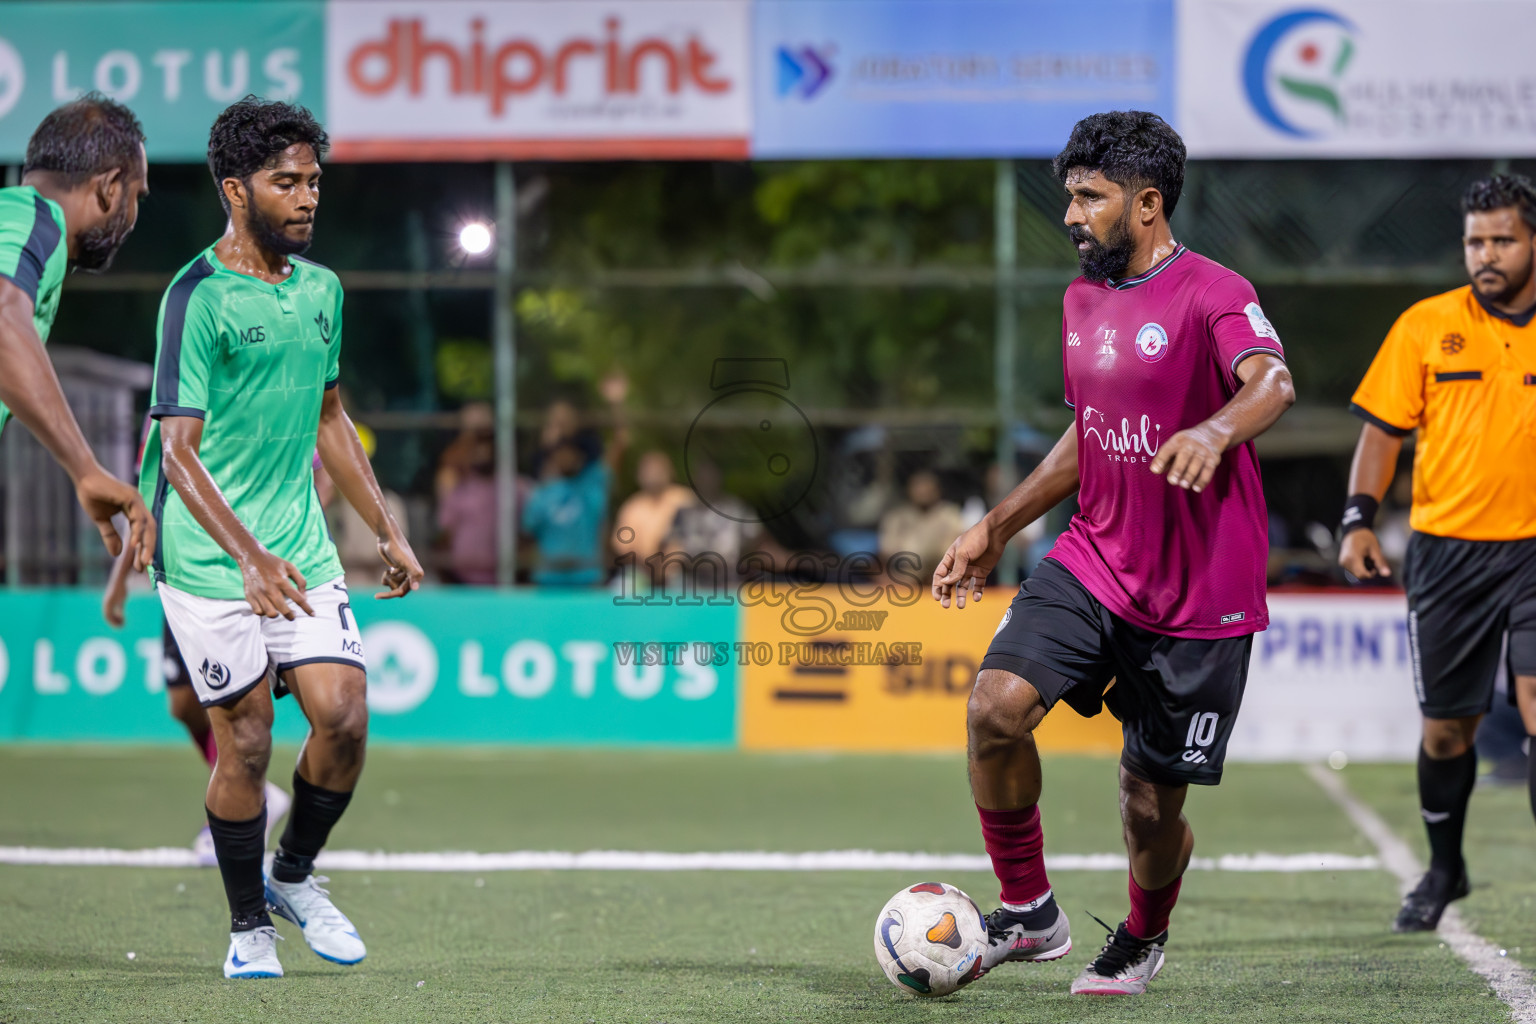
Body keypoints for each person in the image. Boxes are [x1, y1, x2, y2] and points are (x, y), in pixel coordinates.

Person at [932, 111, 1294, 996]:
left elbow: (1271, 379)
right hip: (1093, 558)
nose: (1071, 215)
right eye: (1069, 196)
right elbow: (1087, 433)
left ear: (1147, 203)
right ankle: (1029, 911)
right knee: (994, 709)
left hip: (1200, 596)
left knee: (1148, 806)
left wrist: (1214, 429)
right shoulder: (1081, 299)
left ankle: (1140, 933)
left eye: (1089, 198)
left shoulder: (1214, 291)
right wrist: (998, 524)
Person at [139, 96, 423, 980]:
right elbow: (177, 454)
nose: (307, 198)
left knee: (343, 720)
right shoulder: (195, 297)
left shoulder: (322, 291)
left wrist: (387, 526)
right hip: (207, 562)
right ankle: (248, 926)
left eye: (314, 182)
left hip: (297, 546)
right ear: (235, 189)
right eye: (286, 182)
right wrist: (247, 558)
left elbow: (330, 419)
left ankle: (294, 875)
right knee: (249, 741)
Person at [1338, 173, 1536, 932]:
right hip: (1448, 553)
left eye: (1502, 239)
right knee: (1447, 731)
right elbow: (1382, 433)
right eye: (1474, 240)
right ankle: (1445, 868)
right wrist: (1358, 518)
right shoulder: (1425, 325)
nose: (1485, 253)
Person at [102, 417, 292, 866]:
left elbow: (312, 474)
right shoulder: (163, 421)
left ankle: (242, 812)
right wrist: (117, 584)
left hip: (238, 576)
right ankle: (259, 793)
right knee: (183, 705)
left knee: (236, 705)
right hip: (183, 578)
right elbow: (146, 502)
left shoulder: (253, 405)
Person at [0, 93, 156, 573]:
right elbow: (3, 320)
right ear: (110, 187)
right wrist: (85, 468)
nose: (134, 217)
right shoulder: (30, 218)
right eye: (138, 197)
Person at [613, 450, 695, 567]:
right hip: (641, 570)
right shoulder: (632, 506)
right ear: (639, 475)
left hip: (683, 570)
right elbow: (622, 547)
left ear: (670, 472)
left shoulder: (685, 500)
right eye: (648, 471)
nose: (653, 475)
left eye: (658, 470)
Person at [879, 469, 966, 579]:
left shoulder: (950, 514)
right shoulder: (897, 517)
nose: (923, 491)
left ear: (937, 490)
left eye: (927, 487)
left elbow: (954, 549)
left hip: (940, 575)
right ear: (909, 489)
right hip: (903, 576)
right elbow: (887, 550)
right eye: (918, 486)